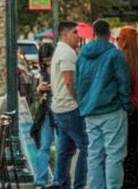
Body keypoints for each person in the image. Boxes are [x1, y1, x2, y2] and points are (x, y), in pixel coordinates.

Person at [75, 18, 130, 189]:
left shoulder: (82, 55)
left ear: (93, 33)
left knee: (94, 154)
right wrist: (126, 105)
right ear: (109, 33)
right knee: (114, 154)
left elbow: (78, 84)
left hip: (90, 111)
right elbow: (123, 82)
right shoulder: (115, 54)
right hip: (112, 110)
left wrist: (83, 105)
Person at [50, 20, 88, 189]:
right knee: (87, 147)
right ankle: (78, 185)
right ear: (65, 35)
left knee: (65, 150)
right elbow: (69, 81)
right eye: (74, 32)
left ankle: (59, 183)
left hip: (60, 108)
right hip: (70, 108)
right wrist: (80, 101)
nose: (78, 36)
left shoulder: (61, 51)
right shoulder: (67, 53)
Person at [116, 26, 138, 189]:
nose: (117, 42)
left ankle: (127, 184)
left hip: (130, 110)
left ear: (124, 41)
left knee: (127, 151)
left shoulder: (122, 59)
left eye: (119, 39)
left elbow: (123, 87)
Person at [31, 40, 55, 187]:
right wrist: (40, 89)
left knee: (61, 146)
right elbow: (37, 94)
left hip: (59, 111)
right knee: (44, 146)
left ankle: (58, 179)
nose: (47, 63)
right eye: (44, 61)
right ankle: (41, 179)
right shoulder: (43, 72)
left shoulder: (60, 68)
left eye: (49, 60)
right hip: (46, 110)